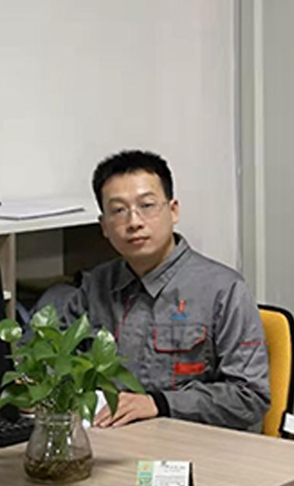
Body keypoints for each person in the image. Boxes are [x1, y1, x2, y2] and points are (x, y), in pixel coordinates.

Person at [62, 150, 270, 430]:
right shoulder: (94, 287)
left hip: (193, 442)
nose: (134, 222)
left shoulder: (223, 290)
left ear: (173, 211)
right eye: (119, 211)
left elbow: (250, 397)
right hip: (109, 437)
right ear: (104, 227)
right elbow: (54, 361)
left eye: (147, 205)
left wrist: (160, 404)